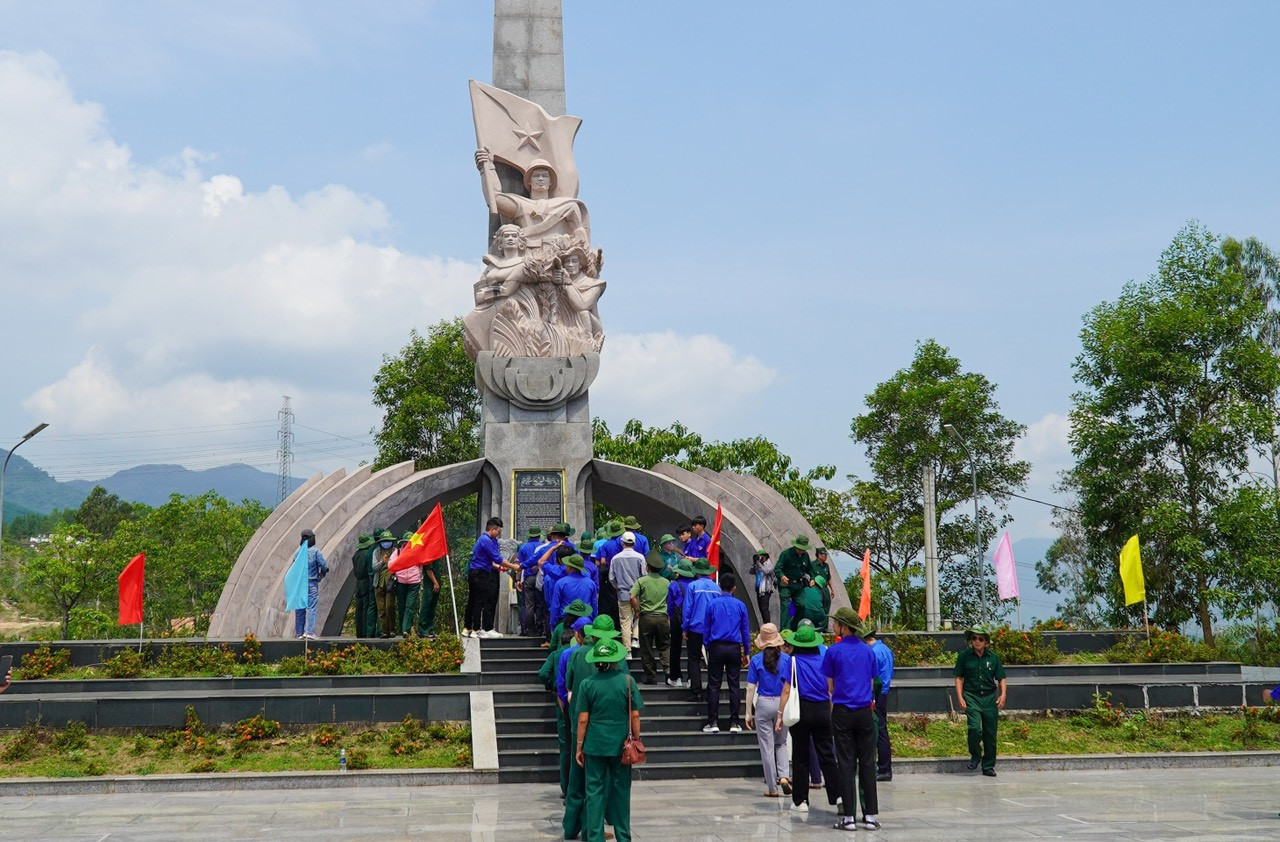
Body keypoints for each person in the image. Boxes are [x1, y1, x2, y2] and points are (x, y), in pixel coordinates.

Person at [575, 636, 644, 842]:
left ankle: (595, 837)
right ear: (616, 661)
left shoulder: (587, 684)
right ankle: (623, 836)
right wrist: (637, 739)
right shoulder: (627, 681)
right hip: (621, 746)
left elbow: (583, 719)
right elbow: (635, 715)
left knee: (594, 792)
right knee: (621, 791)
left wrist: (579, 746)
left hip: (594, 746)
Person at [563, 616, 622, 839]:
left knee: (576, 780)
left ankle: (570, 828)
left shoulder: (575, 654)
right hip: (605, 727)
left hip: (578, 720)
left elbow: (568, 686)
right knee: (598, 785)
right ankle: (591, 831)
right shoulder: (617, 657)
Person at [824, 608, 880, 832]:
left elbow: (830, 685)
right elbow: (872, 679)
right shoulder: (869, 651)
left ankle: (848, 818)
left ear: (844, 627)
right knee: (867, 763)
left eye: (836, 623)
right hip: (864, 712)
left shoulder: (834, 651)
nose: (834, 626)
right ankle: (871, 817)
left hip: (843, 711)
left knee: (846, 764)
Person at [780, 622, 841, 814]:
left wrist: (780, 714)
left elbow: (787, 689)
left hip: (802, 710)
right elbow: (831, 687)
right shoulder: (824, 658)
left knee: (800, 756)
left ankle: (801, 801)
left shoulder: (793, 661)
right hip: (823, 709)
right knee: (827, 755)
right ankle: (838, 796)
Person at [954, 624, 1007, 777]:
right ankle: (975, 755)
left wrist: (1002, 695)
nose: (977, 641)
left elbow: (1001, 678)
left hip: (990, 698)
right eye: (974, 638)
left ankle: (988, 765)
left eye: (980, 639)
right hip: (972, 696)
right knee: (974, 728)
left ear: (986, 642)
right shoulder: (964, 657)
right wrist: (960, 697)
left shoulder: (993, 658)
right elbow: (958, 678)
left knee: (990, 734)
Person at [746, 623, 792, 798]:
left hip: (764, 703)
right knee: (781, 742)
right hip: (782, 703)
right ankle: (784, 776)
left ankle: (772, 787)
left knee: (767, 747)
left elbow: (750, 688)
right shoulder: (787, 660)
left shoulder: (757, 660)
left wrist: (748, 712)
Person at [702, 572, 750, 734]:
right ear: (734, 588)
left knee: (714, 685)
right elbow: (745, 630)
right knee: (734, 685)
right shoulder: (740, 605)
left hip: (716, 646)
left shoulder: (712, 605)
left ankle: (713, 721)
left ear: (720, 587)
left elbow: (706, 628)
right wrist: (747, 651)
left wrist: (708, 646)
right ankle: (735, 722)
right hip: (734, 648)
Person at [466, 517, 516, 639]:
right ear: (493, 529)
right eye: (498, 531)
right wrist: (514, 566)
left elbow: (489, 560)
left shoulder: (491, 540)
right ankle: (476, 630)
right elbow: (497, 558)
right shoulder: (485, 540)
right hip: (479, 573)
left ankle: (483, 628)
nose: (499, 533)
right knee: (478, 601)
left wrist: (499, 567)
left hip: (484, 571)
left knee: (481, 600)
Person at [681, 559, 720, 701]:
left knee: (694, 659)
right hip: (712, 629)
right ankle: (712, 690)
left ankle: (696, 691)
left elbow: (688, 609)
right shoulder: (716, 588)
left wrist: (684, 628)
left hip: (695, 628)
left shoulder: (692, 586)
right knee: (713, 660)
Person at [629, 551, 671, 684]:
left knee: (647, 648)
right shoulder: (666, 582)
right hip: (663, 618)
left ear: (647, 567)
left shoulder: (642, 581)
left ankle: (651, 677)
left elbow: (632, 596)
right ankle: (668, 671)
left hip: (646, 617)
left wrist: (637, 610)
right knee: (664, 646)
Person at [864, 625, 895, 781]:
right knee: (882, 729)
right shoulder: (885, 649)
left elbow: (871, 677)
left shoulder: (873, 653)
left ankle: (884, 769)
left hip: (876, 694)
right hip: (884, 692)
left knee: (879, 731)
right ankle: (884, 767)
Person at [609, 531, 647, 650]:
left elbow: (611, 578)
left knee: (625, 622)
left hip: (623, 594)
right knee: (638, 615)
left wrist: (619, 587)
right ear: (634, 543)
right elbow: (644, 575)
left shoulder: (615, 558)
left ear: (622, 543)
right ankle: (635, 638)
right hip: (637, 594)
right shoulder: (640, 557)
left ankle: (627, 650)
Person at [550, 553, 599, 637]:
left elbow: (555, 607)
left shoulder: (561, 583)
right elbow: (594, 606)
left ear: (570, 567)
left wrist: (553, 626)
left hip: (565, 623)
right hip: (585, 623)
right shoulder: (590, 583)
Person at [293, 528, 328, 640]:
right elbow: (323, 566)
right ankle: (309, 631)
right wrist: (321, 575)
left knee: (300, 608)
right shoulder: (316, 551)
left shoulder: (298, 553)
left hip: (300, 584)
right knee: (311, 607)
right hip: (312, 582)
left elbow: (294, 568)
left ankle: (299, 633)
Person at [666, 560, 694, 686]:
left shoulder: (673, 585)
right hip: (692, 619)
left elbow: (670, 606)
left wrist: (671, 619)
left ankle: (675, 677)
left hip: (677, 619)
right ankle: (691, 678)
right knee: (692, 650)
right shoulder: (694, 584)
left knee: (675, 648)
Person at [777, 535, 814, 630]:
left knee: (802, 605)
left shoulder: (805, 556)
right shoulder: (786, 554)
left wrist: (812, 579)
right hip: (786, 585)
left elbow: (810, 569)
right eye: (800, 549)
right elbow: (778, 568)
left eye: (804, 549)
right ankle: (784, 630)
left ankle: (794, 626)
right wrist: (782, 576)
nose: (802, 551)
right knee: (785, 606)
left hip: (798, 585)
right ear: (796, 546)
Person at [516, 526, 546, 637]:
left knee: (528, 605)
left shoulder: (523, 547)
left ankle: (530, 629)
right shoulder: (543, 547)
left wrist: (518, 580)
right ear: (539, 535)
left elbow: (519, 565)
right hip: (540, 578)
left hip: (528, 578)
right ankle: (540, 629)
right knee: (540, 604)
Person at [393, 531, 422, 637]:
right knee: (401, 606)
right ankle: (403, 629)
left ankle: (406, 629)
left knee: (410, 606)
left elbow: (423, 561)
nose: (407, 545)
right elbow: (392, 565)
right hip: (401, 582)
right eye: (406, 542)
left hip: (414, 582)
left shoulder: (417, 552)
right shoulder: (397, 553)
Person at [370, 529, 398, 638]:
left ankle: (392, 629)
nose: (386, 542)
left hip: (390, 583)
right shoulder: (376, 552)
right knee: (381, 609)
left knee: (389, 607)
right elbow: (374, 567)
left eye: (388, 540)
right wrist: (382, 562)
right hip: (378, 584)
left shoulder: (395, 551)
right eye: (384, 540)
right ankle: (384, 631)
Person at [351, 533, 374, 638]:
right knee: (366, 607)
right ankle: (365, 632)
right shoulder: (367, 554)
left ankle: (358, 632)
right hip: (366, 581)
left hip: (358, 583)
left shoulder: (356, 554)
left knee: (358, 608)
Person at [750, 549, 776, 625]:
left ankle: (768, 625)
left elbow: (766, 571)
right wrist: (754, 563)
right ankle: (765, 624)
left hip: (766, 589)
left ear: (765, 556)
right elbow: (751, 572)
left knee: (765, 608)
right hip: (758, 589)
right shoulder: (758, 564)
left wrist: (759, 563)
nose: (760, 558)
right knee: (761, 608)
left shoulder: (770, 564)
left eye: (761, 556)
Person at [417, 557, 442, 637]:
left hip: (437, 582)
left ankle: (430, 629)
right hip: (430, 583)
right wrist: (435, 582)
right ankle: (422, 629)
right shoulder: (429, 553)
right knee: (426, 605)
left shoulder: (436, 555)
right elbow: (428, 569)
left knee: (432, 606)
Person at [813, 547, 836, 619]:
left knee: (826, 605)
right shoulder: (813, 564)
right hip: (816, 588)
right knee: (817, 606)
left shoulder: (826, 566)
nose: (826, 556)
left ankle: (824, 626)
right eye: (824, 555)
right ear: (819, 555)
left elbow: (828, 578)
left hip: (825, 588)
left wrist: (832, 589)